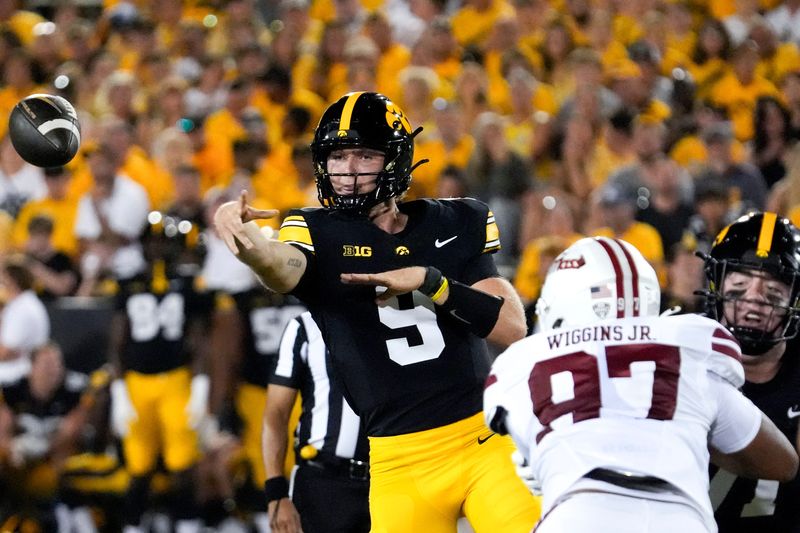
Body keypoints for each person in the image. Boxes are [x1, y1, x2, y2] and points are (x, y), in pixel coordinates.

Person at [215, 91, 540, 532]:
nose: (347, 172)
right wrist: (250, 246)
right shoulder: (314, 230)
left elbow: (512, 328)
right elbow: (280, 266)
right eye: (338, 156)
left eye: (364, 156)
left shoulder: (454, 221)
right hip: (396, 459)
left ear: (396, 160)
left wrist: (434, 283)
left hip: (483, 440)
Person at [484, 235, 798, 533]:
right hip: (680, 521)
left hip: (577, 517)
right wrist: (687, 433)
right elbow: (782, 463)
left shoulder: (518, 366)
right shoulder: (690, 350)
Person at [108, 211, 212, 533]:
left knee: (182, 465)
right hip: (137, 383)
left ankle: (188, 526)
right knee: (138, 467)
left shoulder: (190, 285)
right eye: (152, 242)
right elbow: (117, 342)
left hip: (176, 381)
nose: (157, 249)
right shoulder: (128, 284)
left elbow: (198, 340)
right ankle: (134, 525)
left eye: (163, 242)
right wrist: (118, 391)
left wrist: (200, 387)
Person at [698, 211, 800, 531]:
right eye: (740, 284)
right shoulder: (682, 355)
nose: (754, 299)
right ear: (716, 286)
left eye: (772, 291)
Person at [264, 311, 370, 533]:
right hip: (324, 482)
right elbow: (276, 414)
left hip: (390, 475)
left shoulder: (399, 317)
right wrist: (276, 491)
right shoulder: (305, 326)